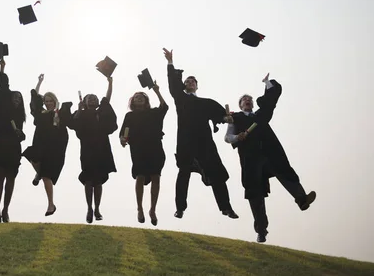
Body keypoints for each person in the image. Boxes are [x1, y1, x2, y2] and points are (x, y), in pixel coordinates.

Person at [224, 73, 316, 243]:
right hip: (251, 159)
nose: (248, 101)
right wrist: (238, 138)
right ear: (240, 104)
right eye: (244, 100)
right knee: (255, 193)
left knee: (285, 172)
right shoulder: (234, 118)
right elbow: (227, 137)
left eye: (249, 99)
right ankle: (261, 230)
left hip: (270, 152)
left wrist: (267, 82)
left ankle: (302, 199)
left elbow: (270, 100)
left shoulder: (261, 116)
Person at [163, 48, 239, 219]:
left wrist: (227, 118)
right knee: (184, 173)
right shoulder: (180, 99)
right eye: (187, 81)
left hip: (205, 142)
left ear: (197, 85)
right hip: (185, 142)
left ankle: (226, 207)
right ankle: (180, 208)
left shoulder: (206, 103)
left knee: (217, 174)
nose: (190, 82)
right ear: (184, 85)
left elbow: (222, 116)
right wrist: (170, 62)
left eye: (193, 81)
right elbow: (172, 84)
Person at [68, 76, 118, 224]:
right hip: (87, 149)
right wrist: (79, 109)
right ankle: (89, 208)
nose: (93, 100)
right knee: (88, 179)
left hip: (102, 148)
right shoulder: (82, 113)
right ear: (85, 101)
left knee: (99, 180)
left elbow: (107, 98)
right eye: (90, 98)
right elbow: (72, 124)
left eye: (95, 98)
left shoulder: (101, 111)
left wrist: (110, 83)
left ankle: (97, 209)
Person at [22, 74, 72, 216]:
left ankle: (51, 204)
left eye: (50, 100)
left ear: (55, 101)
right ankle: (38, 172)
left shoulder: (60, 113)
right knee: (31, 155)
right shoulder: (41, 113)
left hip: (55, 148)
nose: (48, 103)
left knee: (47, 176)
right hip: (40, 144)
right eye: (46, 101)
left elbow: (70, 122)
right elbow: (35, 99)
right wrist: (39, 82)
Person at [119, 82, 168, 226]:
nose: (139, 98)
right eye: (136, 97)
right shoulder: (130, 116)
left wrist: (157, 91)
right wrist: (122, 139)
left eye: (142, 97)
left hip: (155, 148)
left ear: (146, 101)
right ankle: (140, 208)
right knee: (139, 176)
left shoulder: (153, 113)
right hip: (138, 149)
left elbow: (164, 107)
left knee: (155, 177)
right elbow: (123, 132)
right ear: (132, 101)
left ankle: (153, 209)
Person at [0, 59, 26, 223]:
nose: (17, 99)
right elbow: (3, 86)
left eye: (19, 98)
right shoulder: (2, 109)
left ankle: (6, 209)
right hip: (0, 144)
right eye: (15, 97)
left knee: (11, 178)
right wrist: (2, 68)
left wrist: (20, 133)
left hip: (13, 148)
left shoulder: (20, 117)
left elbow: (22, 135)